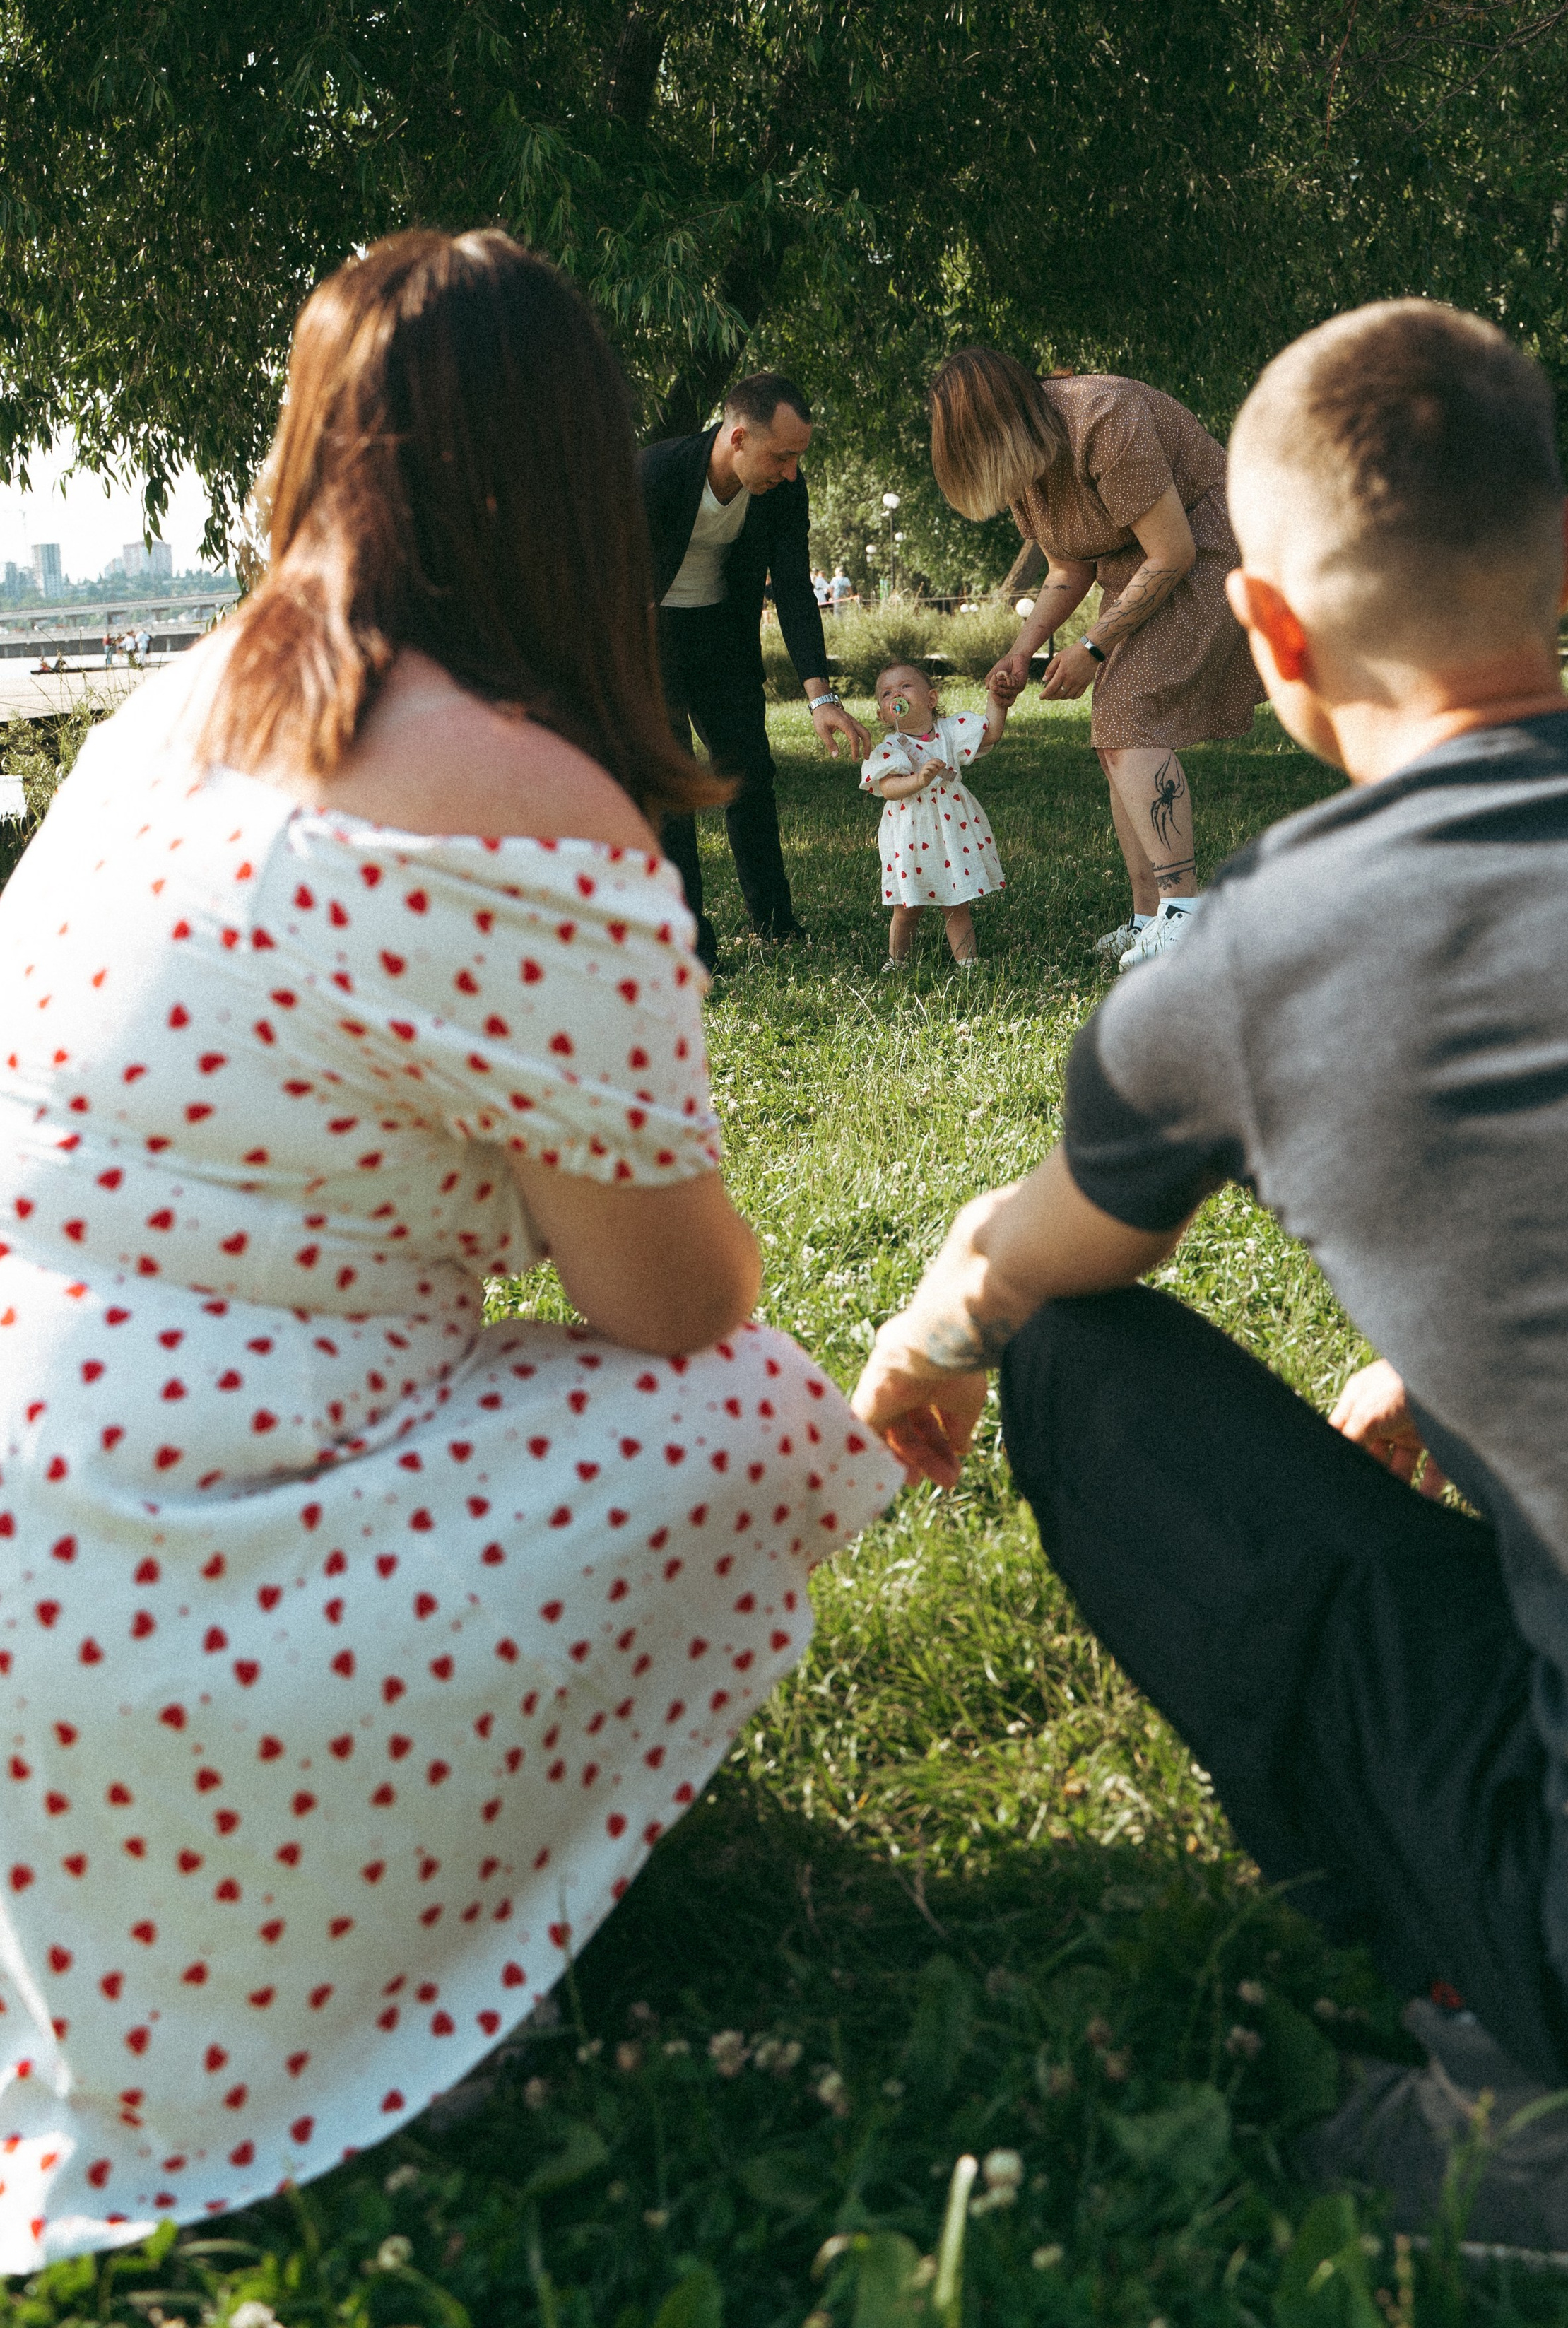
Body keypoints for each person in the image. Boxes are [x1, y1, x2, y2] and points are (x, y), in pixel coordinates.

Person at [856, 299, 1568, 2245]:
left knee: (1086, 1371)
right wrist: (1461, 1378)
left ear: (1272, 638)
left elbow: (1013, 1265)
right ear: (1565, 555)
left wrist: (932, 1346)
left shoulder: (1259, 956)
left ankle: (1525, 2079)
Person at [0, 231, 902, 2268]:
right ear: (582, 483)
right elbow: (667, 1303)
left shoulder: (158, 723)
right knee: (745, 1418)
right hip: (150, 1586)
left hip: (32, 1550)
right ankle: (405, 1934)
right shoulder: (518, 804)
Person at [927, 352, 1261, 972]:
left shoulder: (1104, 416)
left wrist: (1092, 647)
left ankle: (1184, 914)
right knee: (1114, 731)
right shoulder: (1029, 463)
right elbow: (1069, 566)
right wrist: (1024, 650)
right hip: (1144, 568)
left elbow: (1172, 550)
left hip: (1206, 550)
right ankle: (1149, 917)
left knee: (1129, 711)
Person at [638, 373, 869, 970]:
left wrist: (822, 698)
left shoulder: (784, 491)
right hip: (646, 634)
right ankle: (690, 942)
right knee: (671, 787)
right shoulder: (655, 474)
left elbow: (793, 588)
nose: (791, 471)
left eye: (799, 457)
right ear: (737, 437)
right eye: (783, 455)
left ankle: (775, 922)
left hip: (721, 636)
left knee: (749, 774)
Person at [860, 660, 1009, 970]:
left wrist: (996, 701)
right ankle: (897, 962)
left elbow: (990, 733)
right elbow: (888, 788)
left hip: (951, 829)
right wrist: (918, 780)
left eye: (905, 686)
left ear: (931, 699)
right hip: (911, 834)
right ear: (882, 714)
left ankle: (968, 963)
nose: (896, 694)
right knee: (906, 907)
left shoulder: (950, 732)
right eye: (887, 693)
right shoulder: (890, 747)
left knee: (956, 902)